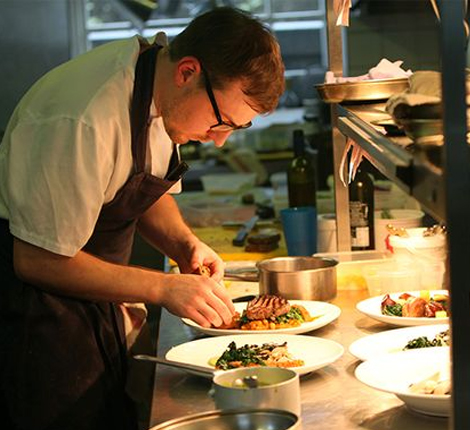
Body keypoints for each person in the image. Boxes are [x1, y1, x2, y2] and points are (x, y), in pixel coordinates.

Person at [0, 6, 285, 430]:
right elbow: (37, 259)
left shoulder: (159, 91)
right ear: (188, 71)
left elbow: (140, 187)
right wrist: (164, 286)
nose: (221, 140)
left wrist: (184, 245)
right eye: (222, 121)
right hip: (41, 326)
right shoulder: (84, 118)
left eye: (235, 129)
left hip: (99, 307)